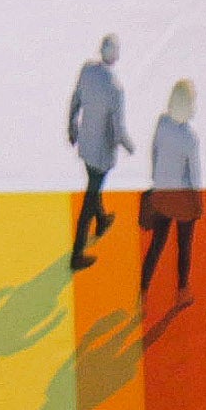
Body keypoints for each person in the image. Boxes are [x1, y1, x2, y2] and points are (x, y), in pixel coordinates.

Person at [68, 31, 130, 268]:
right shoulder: (116, 88)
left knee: (94, 186)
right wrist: (130, 147)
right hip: (102, 154)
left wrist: (72, 128)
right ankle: (77, 254)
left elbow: (76, 100)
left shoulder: (87, 70)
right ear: (115, 55)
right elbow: (118, 130)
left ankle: (102, 219)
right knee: (90, 198)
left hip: (86, 146)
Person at [142, 77, 201, 306]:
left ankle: (143, 291)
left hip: (163, 194)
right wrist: (197, 203)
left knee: (157, 245)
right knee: (184, 247)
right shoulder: (190, 138)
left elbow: (154, 153)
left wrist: (156, 181)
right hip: (183, 199)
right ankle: (182, 292)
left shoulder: (162, 123)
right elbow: (194, 175)